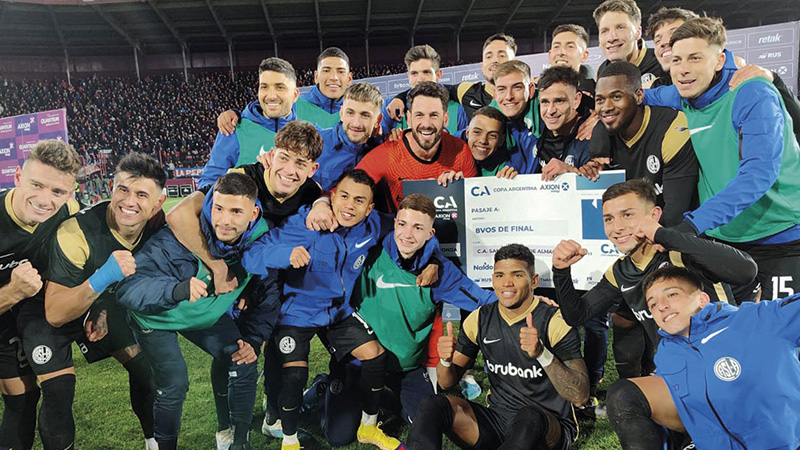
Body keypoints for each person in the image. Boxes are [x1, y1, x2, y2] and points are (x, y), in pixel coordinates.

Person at [165, 121, 323, 443]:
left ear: (312, 168)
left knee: (275, 345)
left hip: (271, 282)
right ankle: (225, 427)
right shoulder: (243, 178)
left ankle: (273, 416)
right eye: (285, 157)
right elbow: (181, 214)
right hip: (231, 280)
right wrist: (217, 267)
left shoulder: (311, 192)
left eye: (301, 163)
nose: (290, 170)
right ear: (270, 156)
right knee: (231, 351)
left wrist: (321, 203)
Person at [312, 194, 496, 446]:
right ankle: (326, 385)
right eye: (402, 224)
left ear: (430, 233)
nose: (407, 234)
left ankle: (383, 402)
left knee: (425, 420)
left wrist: (532, 302)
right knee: (339, 436)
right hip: (361, 361)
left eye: (418, 227)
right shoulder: (371, 249)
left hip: (405, 368)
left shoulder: (441, 273)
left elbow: (482, 300)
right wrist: (320, 202)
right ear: (394, 222)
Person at [116, 172, 280, 450]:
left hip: (204, 315)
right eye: (218, 208)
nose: (224, 220)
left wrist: (254, 338)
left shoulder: (262, 238)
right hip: (156, 318)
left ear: (253, 213)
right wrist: (176, 290)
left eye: (236, 211)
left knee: (243, 358)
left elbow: (269, 292)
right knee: (174, 384)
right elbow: (127, 289)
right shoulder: (181, 233)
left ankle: (238, 443)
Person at [241, 170, 402, 450]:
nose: (349, 206)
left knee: (375, 356)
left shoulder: (372, 226)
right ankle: (289, 442)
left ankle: (368, 428)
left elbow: (408, 227)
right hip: (297, 313)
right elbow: (251, 253)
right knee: (294, 376)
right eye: (344, 196)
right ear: (332, 196)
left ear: (369, 208)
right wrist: (285, 256)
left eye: (359, 201)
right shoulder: (306, 223)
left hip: (337, 314)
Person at [644, 17, 800, 300]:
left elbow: (758, 173)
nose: (683, 69)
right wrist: (604, 108)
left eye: (695, 58)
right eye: (677, 60)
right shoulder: (684, 94)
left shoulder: (752, 92)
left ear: (719, 60)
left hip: (781, 238)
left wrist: (693, 224)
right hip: (726, 241)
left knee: (777, 337)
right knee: (729, 333)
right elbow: (644, 96)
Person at [551, 179, 757, 380]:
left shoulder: (681, 252)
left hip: (729, 366)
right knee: (624, 396)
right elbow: (576, 316)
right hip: (680, 371)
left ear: (654, 215)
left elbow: (746, 270)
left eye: (627, 215)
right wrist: (561, 271)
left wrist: (663, 235)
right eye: (609, 219)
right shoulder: (619, 272)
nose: (617, 227)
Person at [406, 243, 589, 450]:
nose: (507, 283)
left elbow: (579, 395)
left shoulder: (554, 322)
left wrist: (542, 354)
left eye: (518, 275)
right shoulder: (479, 319)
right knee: (433, 404)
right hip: (498, 421)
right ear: (492, 280)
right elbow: (447, 383)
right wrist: (445, 361)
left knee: (529, 416)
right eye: (500, 275)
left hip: (547, 426)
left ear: (534, 281)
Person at [41, 153, 166, 450]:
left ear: (158, 203)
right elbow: (55, 312)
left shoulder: (159, 227)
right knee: (55, 391)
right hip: (49, 305)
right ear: (111, 187)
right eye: (123, 189)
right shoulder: (77, 232)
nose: (129, 201)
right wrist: (103, 277)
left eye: (141, 194)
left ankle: (153, 442)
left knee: (146, 374)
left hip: (99, 305)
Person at [607, 265, 800, 450]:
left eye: (672, 294)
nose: (662, 306)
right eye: (653, 304)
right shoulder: (667, 351)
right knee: (624, 394)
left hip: (787, 443)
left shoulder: (758, 319)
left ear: (702, 299)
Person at [0, 140, 81, 450]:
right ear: (18, 177)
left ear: (70, 192)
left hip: (33, 311)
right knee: (20, 402)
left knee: (57, 391)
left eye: (58, 192)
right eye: (37, 185)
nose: (46, 200)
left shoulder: (68, 215)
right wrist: (12, 291)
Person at [589, 61, 698, 227]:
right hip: (628, 235)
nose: (606, 107)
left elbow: (675, 213)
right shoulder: (603, 138)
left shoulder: (672, 129)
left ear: (639, 95)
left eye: (616, 97)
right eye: (600, 100)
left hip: (672, 235)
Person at [353, 81, 478, 213]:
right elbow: (349, 190)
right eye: (419, 115)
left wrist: (461, 190)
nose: (426, 124)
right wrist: (327, 201)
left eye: (434, 115)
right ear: (409, 118)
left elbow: (476, 205)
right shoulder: (386, 154)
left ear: (445, 119)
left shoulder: (460, 151)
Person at [200, 57, 299, 187]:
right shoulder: (234, 129)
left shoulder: (305, 134)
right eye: (264, 87)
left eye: (280, 87)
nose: (271, 95)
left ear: (295, 95)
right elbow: (210, 182)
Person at [386, 33, 518, 123]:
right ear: (482, 65)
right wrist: (400, 97)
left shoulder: (528, 96)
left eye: (502, 55)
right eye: (489, 56)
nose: (495, 60)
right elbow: (428, 88)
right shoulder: (466, 91)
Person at [380, 45, 468, 135]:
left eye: (426, 72)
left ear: (438, 75)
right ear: (408, 76)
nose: (420, 79)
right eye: (414, 73)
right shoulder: (391, 106)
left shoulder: (459, 108)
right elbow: (379, 141)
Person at [316, 82, 385, 191]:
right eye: (350, 113)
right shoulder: (315, 143)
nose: (356, 123)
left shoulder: (385, 149)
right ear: (341, 113)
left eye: (365, 115)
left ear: (378, 120)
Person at [536, 66, 593, 181]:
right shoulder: (537, 131)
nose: (550, 111)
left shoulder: (592, 135)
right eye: (545, 102)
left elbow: (601, 184)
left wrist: (571, 173)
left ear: (576, 100)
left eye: (559, 101)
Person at [593, 0, 664, 87]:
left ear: (637, 32)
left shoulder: (661, 62)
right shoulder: (603, 71)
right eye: (604, 31)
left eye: (620, 28)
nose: (611, 38)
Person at [294, 47, 354, 128]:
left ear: (349, 78)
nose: (334, 77)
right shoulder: (294, 107)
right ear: (316, 76)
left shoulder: (361, 109)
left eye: (340, 72)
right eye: (326, 71)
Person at [549, 24, 596, 95]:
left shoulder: (596, 92)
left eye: (570, 47)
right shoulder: (537, 92)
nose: (561, 52)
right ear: (550, 54)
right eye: (556, 46)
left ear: (584, 56)